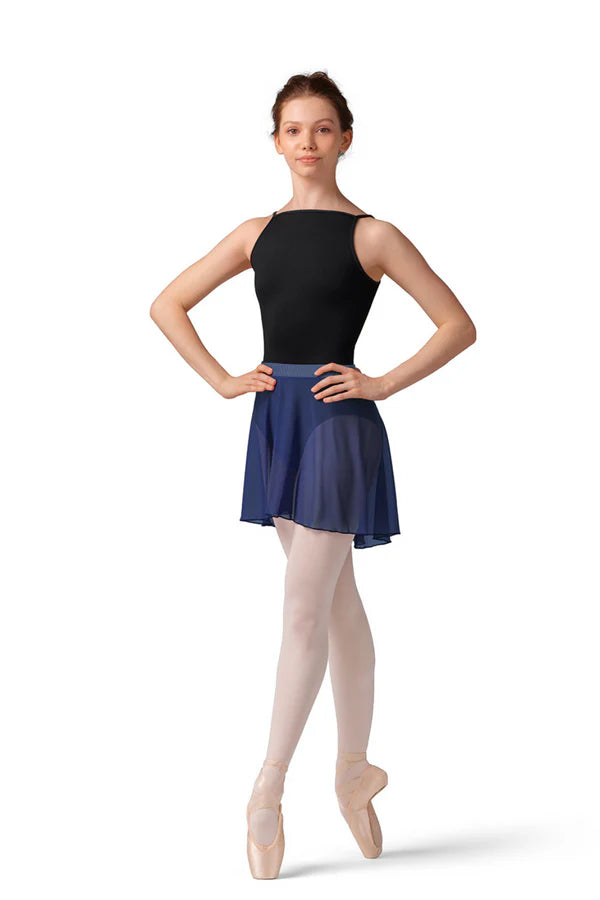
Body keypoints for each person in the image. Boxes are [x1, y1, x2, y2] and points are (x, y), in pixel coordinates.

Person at [150, 70, 476, 879]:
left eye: (323, 128)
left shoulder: (374, 235)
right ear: (275, 141)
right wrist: (224, 380)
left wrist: (382, 382)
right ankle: (355, 770)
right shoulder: (254, 233)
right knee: (333, 602)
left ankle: (267, 787)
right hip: (277, 422)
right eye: (294, 129)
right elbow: (167, 304)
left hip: (337, 424)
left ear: (345, 139)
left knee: (302, 609)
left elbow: (457, 324)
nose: (308, 142)